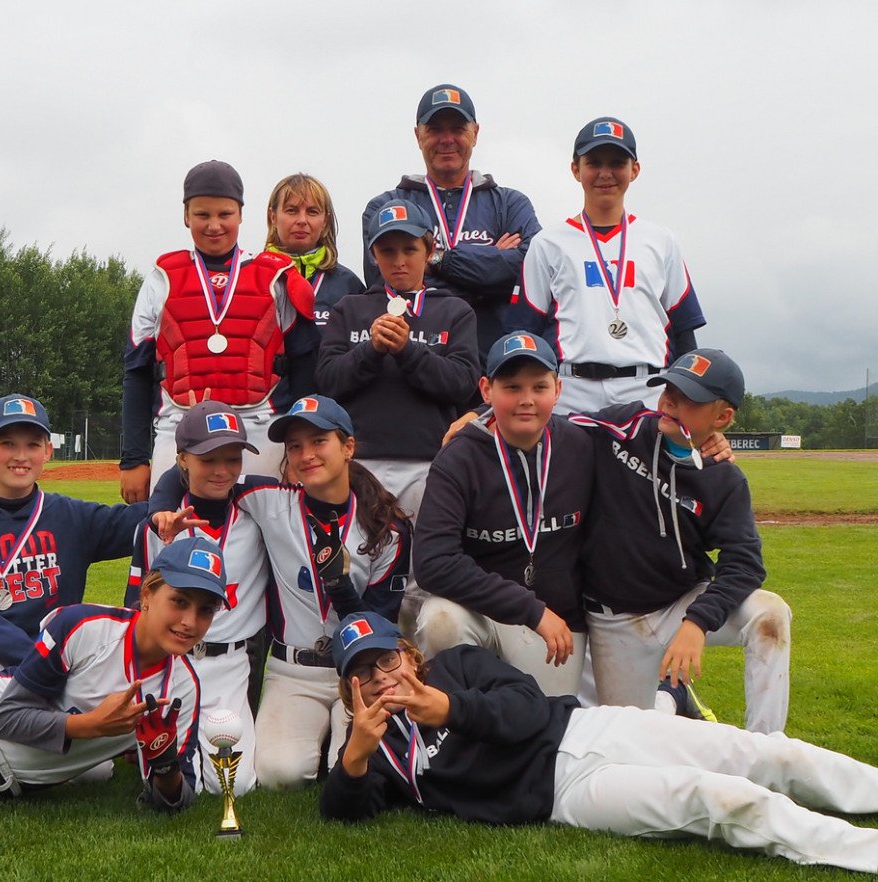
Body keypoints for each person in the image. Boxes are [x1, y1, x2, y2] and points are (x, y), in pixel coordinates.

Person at [321, 611, 878, 874]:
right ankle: (861, 852)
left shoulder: (454, 667)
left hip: (589, 727)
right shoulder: (374, 747)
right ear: (351, 687)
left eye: (386, 659)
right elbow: (344, 814)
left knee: (769, 753)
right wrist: (354, 758)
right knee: (719, 798)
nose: (380, 678)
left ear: (408, 655)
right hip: (565, 794)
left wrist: (450, 709)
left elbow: (527, 707)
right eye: (362, 672)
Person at [0, 536, 229, 848]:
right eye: (179, 601)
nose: (189, 622)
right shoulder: (87, 626)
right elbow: (5, 718)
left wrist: (163, 765)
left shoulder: (183, 689)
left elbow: (176, 801)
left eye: (205, 611)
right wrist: (90, 726)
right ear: (148, 593)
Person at [568, 349, 791, 733]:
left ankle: (764, 749)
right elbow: (544, 422)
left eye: (689, 398)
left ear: (722, 418)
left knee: (770, 614)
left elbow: (745, 562)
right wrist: (480, 416)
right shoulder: (624, 426)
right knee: (632, 746)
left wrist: (697, 623)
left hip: (682, 602)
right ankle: (673, 696)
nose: (670, 401)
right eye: (668, 388)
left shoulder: (723, 479)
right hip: (613, 618)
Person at [233, 395, 411, 789]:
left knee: (358, 768)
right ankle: (322, 736)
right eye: (294, 446)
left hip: (360, 671)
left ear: (348, 447)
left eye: (318, 441)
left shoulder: (387, 529)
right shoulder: (267, 500)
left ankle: (335, 739)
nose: (305, 454)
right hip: (291, 669)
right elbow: (201, 474)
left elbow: (378, 625)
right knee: (282, 774)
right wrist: (160, 504)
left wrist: (339, 588)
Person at [0, 394, 148, 690]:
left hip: (55, 654)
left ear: (48, 451)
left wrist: (187, 458)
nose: (20, 456)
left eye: (32, 444)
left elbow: (144, 519)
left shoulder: (70, 516)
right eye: (7, 443)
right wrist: (23, 648)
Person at [120, 160, 319, 502]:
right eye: (202, 215)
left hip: (261, 426)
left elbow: (305, 372)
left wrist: (298, 449)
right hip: (179, 423)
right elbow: (137, 373)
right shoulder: (161, 277)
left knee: (264, 543)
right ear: (186, 216)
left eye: (224, 214)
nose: (214, 225)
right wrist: (134, 458)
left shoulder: (276, 277)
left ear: (241, 215)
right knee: (172, 536)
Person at [412, 332, 592, 696]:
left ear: (557, 389)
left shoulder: (582, 444)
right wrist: (530, 609)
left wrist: (706, 443)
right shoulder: (459, 457)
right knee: (439, 620)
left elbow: (649, 432)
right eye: (511, 387)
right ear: (486, 389)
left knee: (546, 735)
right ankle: (457, 721)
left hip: (558, 620)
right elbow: (432, 562)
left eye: (539, 387)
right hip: (484, 615)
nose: (526, 400)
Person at [508, 117, 706, 415]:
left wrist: (690, 399)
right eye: (594, 162)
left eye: (617, 163)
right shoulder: (548, 243)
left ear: (634, 170)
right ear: (576, 169)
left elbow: (683, 329)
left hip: (647, 387)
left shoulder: (660, 240)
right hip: (572, 388)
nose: (605, 173)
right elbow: (526, 330)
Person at [127, 400, 272, 795]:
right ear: (182, 460)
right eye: (208, 459)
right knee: (171, 771)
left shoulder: (257, 510)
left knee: (236, 785)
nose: (223, 470)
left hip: (231, 664)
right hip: (173, 664)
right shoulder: (159, 525)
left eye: (233, 458)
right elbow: (135, 605)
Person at [317, 197, 480, 522]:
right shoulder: (350, 309)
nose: (399, 261)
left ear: (429, 249)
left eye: (409, 249)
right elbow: (327, 383)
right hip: (359, 463)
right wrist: (370, 351)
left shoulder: (455, 311)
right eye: (388, 251)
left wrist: (408, 350)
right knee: (362, 564)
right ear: (374, 255)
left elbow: (463, 385)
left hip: (431, 462)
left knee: (424, 567)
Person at [363, 84, 540, 369]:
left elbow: (528, 274)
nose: (447, 139)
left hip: (496, 367)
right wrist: (488, 276)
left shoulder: (510, 203)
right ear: (418, 135)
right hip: (418, 367)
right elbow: (387, 286)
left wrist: (437, 259)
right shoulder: (386, 207)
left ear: (475, 133)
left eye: (457, 128)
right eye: (435, 130)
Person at [264, 173, 365, 329]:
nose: (302, 220)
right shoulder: (251, 278)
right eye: (292, 210)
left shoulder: (348, 285)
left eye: (312, 212)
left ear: (325, 221)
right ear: (273, 217)